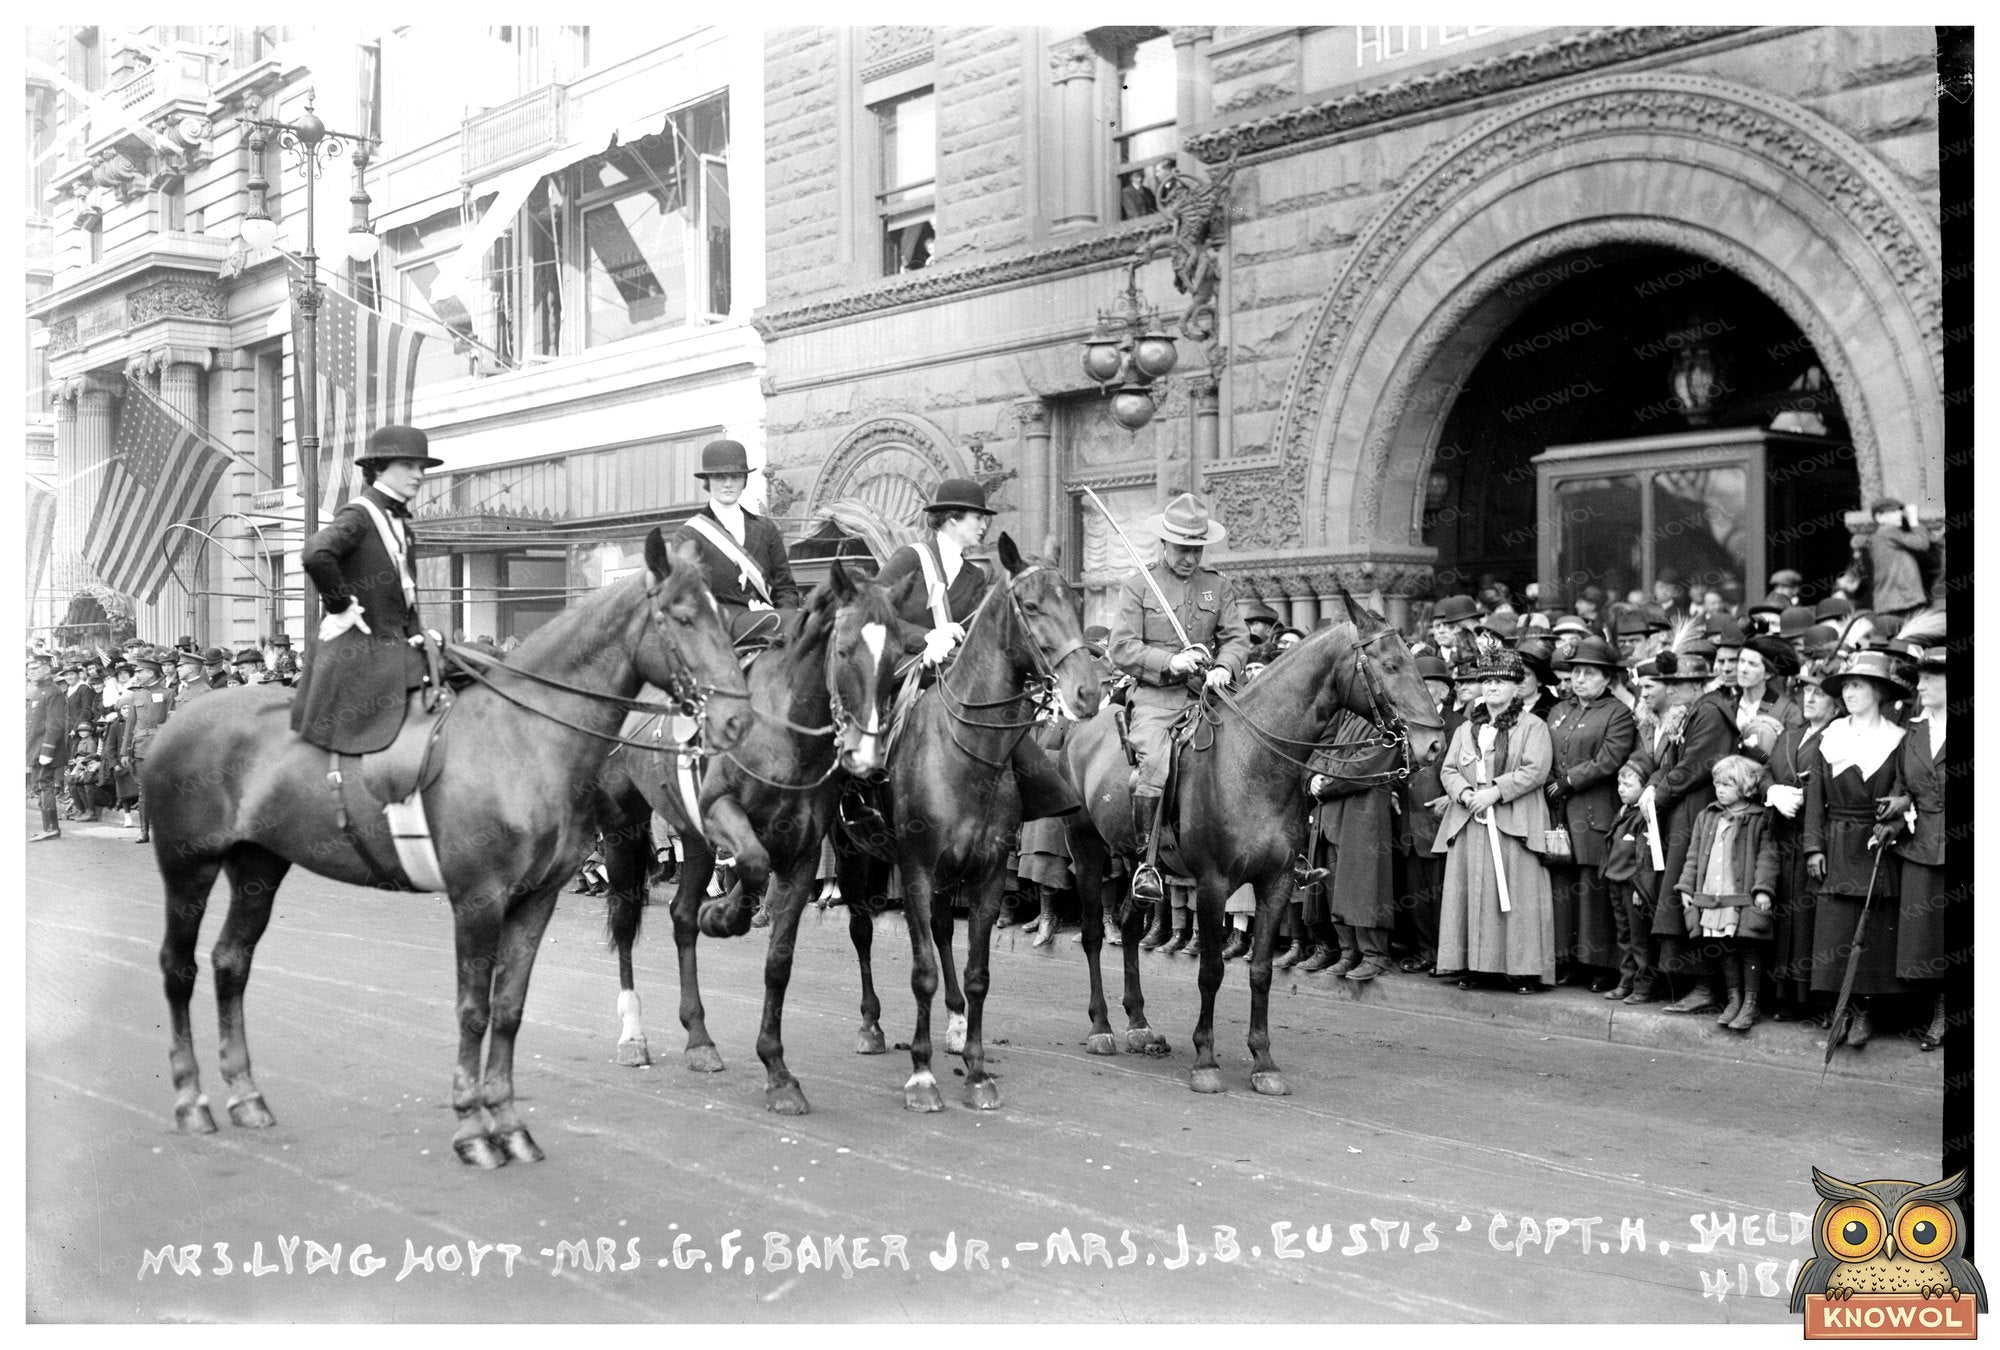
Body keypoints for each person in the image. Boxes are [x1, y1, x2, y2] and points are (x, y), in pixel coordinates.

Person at [871, 475, 1080, 822]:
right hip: (905, 668)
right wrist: (925, 639)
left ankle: (1023, 801)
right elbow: (874, 611)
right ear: (952, 518)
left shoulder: (974, 574)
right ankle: (867, 796)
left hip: (952, 673)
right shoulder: (910, 558)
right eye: (977, 517)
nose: (984, 525)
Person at [1106, 491, 1251, 906]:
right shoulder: (1138, 587)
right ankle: (1147, 863)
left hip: (1212, 694)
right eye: (1182, 549)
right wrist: (1171, 661)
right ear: (1165, 544)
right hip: (1159, 698)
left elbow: (1237, 638)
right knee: (1153, 760)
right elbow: (1122, 648)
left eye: (1196, 549)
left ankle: (1280, 851)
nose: (1189, 557)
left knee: (1260, 743)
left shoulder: (1217, 586)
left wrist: (1226, 665)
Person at [290, 425, 444, 756]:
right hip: (362, 653)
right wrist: (341, 607)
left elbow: (402, 599)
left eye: (421, 467)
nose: (418, 475)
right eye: (407, 465)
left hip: (394, 648)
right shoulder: (360, 514)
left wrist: (418, 634)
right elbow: (315, 554)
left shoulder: (401, 522)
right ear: (378, 468)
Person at [1432, 652, 1557, 994]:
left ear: (1517, 688)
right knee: (1474, 894)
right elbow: (1448, 769)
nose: (1491, 687)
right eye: (1486, 681)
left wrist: (1495, 793)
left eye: (1499, 681)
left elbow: (1536, 770)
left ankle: (1522, 970)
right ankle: (1477, 966)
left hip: (1512, 822)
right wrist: (1467, 793)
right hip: (1471, 819)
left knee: (1516, 896)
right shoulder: (1466, 727)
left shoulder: (1533, 726)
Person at [1802, 650, 1908, 1050]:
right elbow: (1815, 797)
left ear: (1878, 691)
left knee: (1871, 929)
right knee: (1835, 927)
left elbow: (1904, 790)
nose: (1849, 692)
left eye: (1857, 685)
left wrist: (1892, 820)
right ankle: (1839, 1010)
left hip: (1875, 842)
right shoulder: (1830, 736)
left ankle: (1863, 1009)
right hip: (1836, 840)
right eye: (1845, 685)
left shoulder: (1898, 739)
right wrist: (1813, 846)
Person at [1637, 637, 1738, 1014]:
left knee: (1694, 893)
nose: (1671, 688)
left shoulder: (1710, 712)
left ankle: (1705, 985)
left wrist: (1659, 793)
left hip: (1699, 812)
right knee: (1682, 891)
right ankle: (1691, 983)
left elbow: (1696, 765)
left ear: (1696, 684)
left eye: (1677, 683)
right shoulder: (1697, 709)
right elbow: (1674, 760)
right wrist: (1655, 785)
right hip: (1687, 811)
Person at [1544, 637, 1639, 992]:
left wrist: (1568, 780)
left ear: (1607, 679)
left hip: (1595, 810)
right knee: (1562, 889)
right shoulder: (1560, 711)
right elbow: (1547, 751)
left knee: (1593, 892)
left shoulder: (1617, 713)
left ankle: (1600, 965)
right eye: (1576, 672)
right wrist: (1553, 778)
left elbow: (1612, 758)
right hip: (1559, 810)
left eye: (1589, 673)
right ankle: (1566, 960)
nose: (1580, 679)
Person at [1673, 755, 1780, 1031]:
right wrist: (1687, 887)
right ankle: (1733, 999)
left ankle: (1751, 1003)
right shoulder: (1707, 816)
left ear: (1744, 787)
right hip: (1713, 895)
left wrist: (1763, 890)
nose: (1719, 789)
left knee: (1748, 947)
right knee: (1723, 947)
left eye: (1727, 785)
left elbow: (1767, 857)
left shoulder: (1759, 818)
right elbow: (1693, 856)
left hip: (1742, 896)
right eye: (1717, 784)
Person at [1882, 627, 1949, 1049]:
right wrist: (1896, 805)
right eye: (1920, 678)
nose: (1920, 686)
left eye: (1929, 678)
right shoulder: (1914, 729)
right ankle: (1940, 1016)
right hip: (1923, 845)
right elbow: (1904, 784)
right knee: (1930, 937)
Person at [670, 438, 802, 650]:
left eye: (736, 476)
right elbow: (690, 598)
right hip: (719, 627)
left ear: (744, 480)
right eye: (720, 476)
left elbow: (785, 587)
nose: (728, 483)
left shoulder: (766, 529)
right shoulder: (689, 534)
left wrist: (781, 614)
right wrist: (772, 618)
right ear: (708, 481)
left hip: (772, 623)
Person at [1304, 711, 1401, 981]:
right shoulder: (1337, 716)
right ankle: (1348, 952)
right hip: (1329, 813)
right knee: (1334, 886)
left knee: (1363, 884)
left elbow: (1367, 765)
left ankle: (1375, 956)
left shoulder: (1386, 718)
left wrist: (1325, 782)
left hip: (1362, 812)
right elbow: (1317, 754)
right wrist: (1312, 778)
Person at [1602, 754, 1660, 1002]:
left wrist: (1640, 887)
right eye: (1620, 785)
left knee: (1639, 938)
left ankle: (1644, 986)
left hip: (1632, 885)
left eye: (1628, 786)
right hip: (1616, 881)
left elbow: (1645, 855)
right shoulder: (1623, 811)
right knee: (1624, 936)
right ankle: (1626, 981)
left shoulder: (1643, 816)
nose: (1621, 790)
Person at [1858, 499, 1934, 619]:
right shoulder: (1887, 530)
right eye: (1893, 511)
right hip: (1902, 601)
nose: (1899, 514)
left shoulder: (1881, 535)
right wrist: (1913, 520)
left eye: (1899, 511)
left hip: (1894, 601)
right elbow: (1921, 543)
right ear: (1879, 517)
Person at [27, 657, 70, 841]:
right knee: (40, 785)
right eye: (30, 669)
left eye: (37, 668)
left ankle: (51, 828)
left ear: (47, 669)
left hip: (45, 748)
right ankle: (48, 827)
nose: (32, 671)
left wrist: (47, 751)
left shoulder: (53, 692)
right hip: (35, 747)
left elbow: (55, 725)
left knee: (45, 786)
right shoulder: (38, 691)